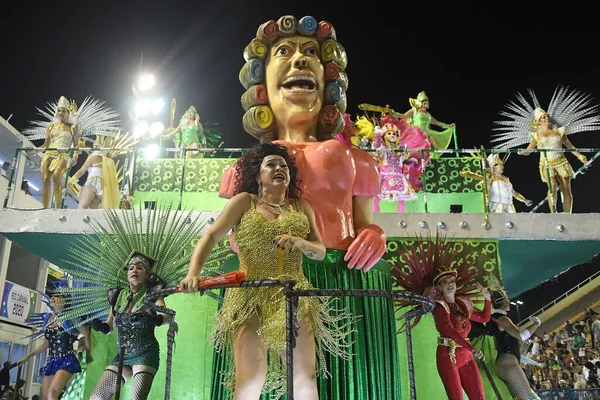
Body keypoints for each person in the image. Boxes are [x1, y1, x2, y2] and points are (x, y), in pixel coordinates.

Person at [218, 16, 397, 398]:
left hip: (343, 279)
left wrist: (373, 233)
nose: (300, 60)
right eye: (284, 51)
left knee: (310, 379)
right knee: (252, 378)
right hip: (268, 283)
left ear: (327, 78)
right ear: (261, 84)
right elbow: (232, 237)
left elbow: (366, 221)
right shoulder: (244, 169)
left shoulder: (358, 160)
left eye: (311, 53)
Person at [181, 142, 353, 399]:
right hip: (252, 295)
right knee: (252, 377)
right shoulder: (244, 202)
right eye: (270, 165)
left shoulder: (301, 207)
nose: (278, 168)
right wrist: (192, 273)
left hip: (295, 297)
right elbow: (210, 237)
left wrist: (300, 242)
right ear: (257, 174)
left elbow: (320, 251)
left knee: (305, 378)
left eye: (283, 165)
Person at [53, 206, 212, 400]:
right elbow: (110, 325)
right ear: (127, 274)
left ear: (147, 274)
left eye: (140, 268)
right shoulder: (117, 296)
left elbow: (167, 316)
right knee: (97, 397)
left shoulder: (153, 294)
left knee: (136, 398)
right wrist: (102, 327)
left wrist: (155, 318)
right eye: (131, 268)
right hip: (122, 353)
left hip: (145, 353)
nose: (134, 270)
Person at [391, 234, 492, 400]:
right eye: (445, 282)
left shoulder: (462, 305)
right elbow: (449, 331)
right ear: (438, 287)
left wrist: (487, 300)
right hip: (448, 356)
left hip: (466, 357)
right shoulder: (439, 307)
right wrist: (471, 347)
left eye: (452, 280)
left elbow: (483, 318)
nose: (450, 283)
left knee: (479, 398)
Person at [491, 86, 600, 213]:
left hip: (561, 162)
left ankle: (568, 214)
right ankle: (553, 213)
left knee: (566, 188)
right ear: (538, 122)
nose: (546, 118)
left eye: (547, 116)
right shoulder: (536, 135)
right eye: (543, 117)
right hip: (546, 164)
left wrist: (581, 157)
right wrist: (522, 152)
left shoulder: (559, 131)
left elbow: (570, 147)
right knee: (552, 186)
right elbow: (529, 150)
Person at [23, 96, 120, 208]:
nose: (61, 113)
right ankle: (44, 208)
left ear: (68, 112)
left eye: (63, 111)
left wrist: (74, 155)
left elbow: (77, 144)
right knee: (45, 180)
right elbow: (46, 144)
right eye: (59, 110)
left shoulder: (73, 127)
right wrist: (33, 149)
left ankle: (57, 207)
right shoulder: (51, 126)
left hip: (63, 155)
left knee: (56, 177)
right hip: (49, 153)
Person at [18, 292, 92, 400]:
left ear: (65, 301)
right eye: (52, 296)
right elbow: (45, 345)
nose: (52, 298)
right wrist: (27, 357)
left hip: (67, 360)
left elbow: (85, 331)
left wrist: (88, 352)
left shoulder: (71, 316)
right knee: (45, 397)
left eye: (57, 296)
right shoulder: (49, 319)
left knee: (52, 394)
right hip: (51, 361)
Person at [486, 290, 541, 399]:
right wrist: (536, 324)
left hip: (504, 363)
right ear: (503, 302)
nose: (509, 301)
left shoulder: (495, 318)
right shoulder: (502, 318)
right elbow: (521, 335)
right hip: (508, 363)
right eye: (507, 299)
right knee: (526, 398)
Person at [68, 132, 137, 209]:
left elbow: (81, 171)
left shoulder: (93, 157)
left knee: (82, 208)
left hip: (92, 184)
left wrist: (71, 181)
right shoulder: (110, 161)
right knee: (93, 214)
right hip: (103, 189)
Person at [460, 153, 533, 213]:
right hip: (497, 208)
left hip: (509, 207)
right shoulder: (491, 177)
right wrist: (487, 183)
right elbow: (484, 187)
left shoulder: (506, 179)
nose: (502, 166)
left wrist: (524, 200)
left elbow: (514, 193)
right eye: (500, 165)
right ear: (494, 167)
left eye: (502, 164)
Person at [400, 91, 455, 157]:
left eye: (427, 104)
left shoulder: (428, 115)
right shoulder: (414, 110)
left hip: (426, 134)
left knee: (431, 143)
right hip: (416, 133)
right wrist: (392, 113)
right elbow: (403, 116)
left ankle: (431, 159)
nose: (426, 105)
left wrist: (449, 126)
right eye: (424, 103)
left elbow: (438, 123)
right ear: (420, 103)